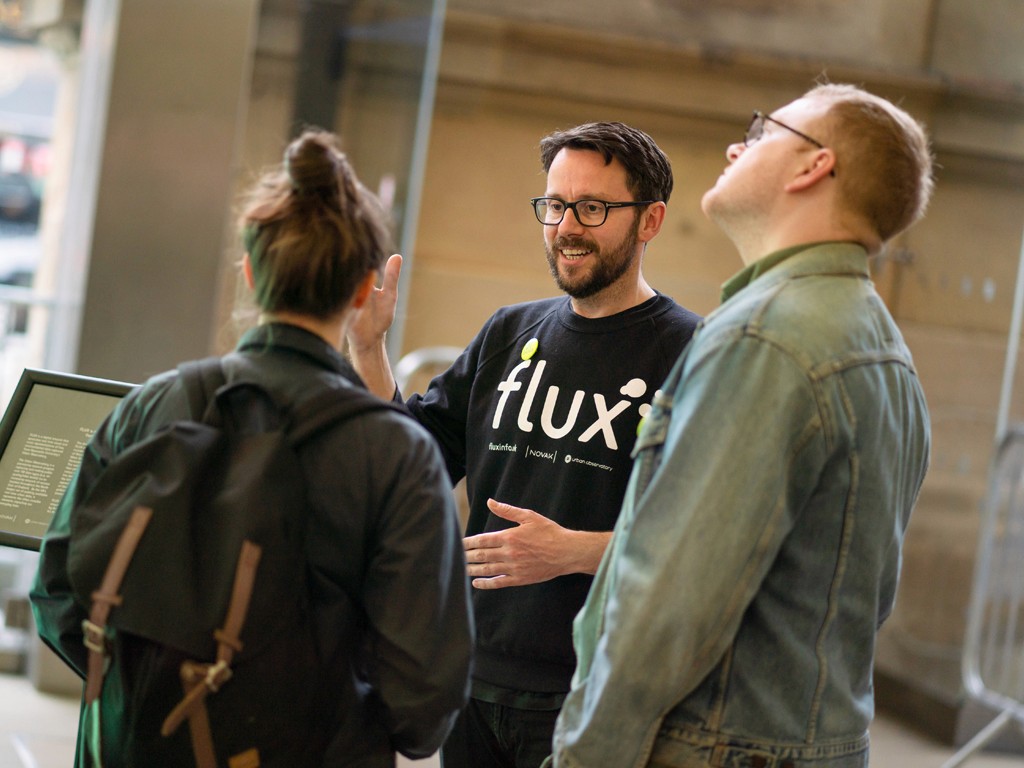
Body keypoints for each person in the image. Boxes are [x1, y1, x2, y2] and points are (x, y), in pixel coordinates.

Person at [30, 129, 474, 767]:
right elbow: (424, 698)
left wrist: (150, 688)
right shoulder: (397, 454)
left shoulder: (153, 406)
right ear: (359, 292)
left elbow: (57, 593)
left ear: (249, 271)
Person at [547, 83, 934, 768]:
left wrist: (583, 755)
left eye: (762, 133)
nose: (736, 145)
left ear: (812, 167)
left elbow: (670, 600)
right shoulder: (883, 346)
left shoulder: (767, 338)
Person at [347, 121, 701, 767]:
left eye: (593, 207)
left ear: (649, 221)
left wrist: (572, 552)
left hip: (594, 690)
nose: (567, 225)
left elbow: (705, 543)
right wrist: (367, 348)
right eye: (555, 205)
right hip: (475, 675)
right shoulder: (509, 331)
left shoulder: (693, 353)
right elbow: (409, 457)